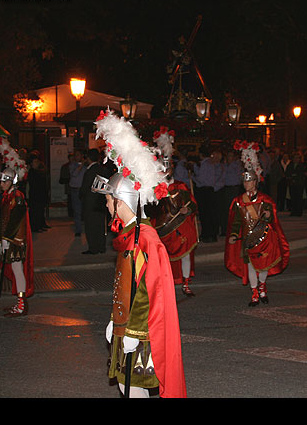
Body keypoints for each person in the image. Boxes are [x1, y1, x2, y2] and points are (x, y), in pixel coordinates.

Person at [93, 109, 186, 399]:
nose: (107, 206)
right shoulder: (129, 235)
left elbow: (150, 290)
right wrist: (115, 320)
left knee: (133, 389)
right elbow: (127, 287)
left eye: (110, 200)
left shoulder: (145, 238)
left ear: (121, 202)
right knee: (125, 386)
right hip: (127, 328)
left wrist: (132, 331)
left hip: (141, 334)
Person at [225, 140, 290, 306]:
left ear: (256, 182)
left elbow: (271, 219)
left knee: (264, 265)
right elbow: (237, 221)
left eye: (250, 181)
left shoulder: (265, 199)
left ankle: (262, 287)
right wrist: (233, 235)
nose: (247, 184)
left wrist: (268, 215)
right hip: (248, 238)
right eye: (245, 182)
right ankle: (254, 292)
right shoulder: (239, 201)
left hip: (265, 237)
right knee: (252, 266)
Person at [148, 127, 200, 297]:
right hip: (163, 229)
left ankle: (185, 284)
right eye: (163, 169)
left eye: (168, 168)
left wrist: (188, 208)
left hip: (182, 226)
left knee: (185, 255)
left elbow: (193, 204)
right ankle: (165, 285)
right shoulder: (154, 189)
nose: (166, 172)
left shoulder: (181, 186)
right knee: (162, 259)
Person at [0, 137, 34, 318]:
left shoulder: (17, 196)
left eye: (3, 181)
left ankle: (21, 305)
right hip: (9, 240)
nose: (1, 184)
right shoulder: (8, 196)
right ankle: (19, 303)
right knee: (17, 271)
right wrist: (1, 240)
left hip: (16, 241)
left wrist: (7, 240)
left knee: (18, 271)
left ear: (11, 181)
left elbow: (16, 220)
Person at [80, 148, 111, 254]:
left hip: (90, 203)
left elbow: (85, 188)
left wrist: (81, 195)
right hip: (101, 201)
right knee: (100, 225)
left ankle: (93, 248)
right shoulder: (102, 169)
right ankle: (101, 247)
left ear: (88, 158)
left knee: (90, 226)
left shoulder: (90, 171)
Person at [27, 152, 49, 232]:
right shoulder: (32, 172)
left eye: (37, 162)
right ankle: (35, 227)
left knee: (40, 211)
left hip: (41, 194)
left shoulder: (39, 171)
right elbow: (34, 184)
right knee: (35, 211)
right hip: (35, 195)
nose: (37, 163)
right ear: (32, 163)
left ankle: (40, 225)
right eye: (35, 162)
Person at [69, 150, 86, 237]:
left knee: (85, 210)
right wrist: (81, 165)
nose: (77, 157)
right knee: (77, 211)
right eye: (75, 155)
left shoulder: (85, 166)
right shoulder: (72, 165)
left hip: (83, 190)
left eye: (78, 155)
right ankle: (78, 230)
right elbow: (74, 174)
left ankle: (86, 229)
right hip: (75, 190)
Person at [286, 150, 306, 216]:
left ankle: (299, 211)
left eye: (297, 158)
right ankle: (293, 211)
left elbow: (301, 174)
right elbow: (287, 173)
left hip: (299, 184)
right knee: (293, 198)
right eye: (295, 158)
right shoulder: (290, 165)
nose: (296, 159)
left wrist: (295, 176)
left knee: (299, 198)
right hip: (292, 184)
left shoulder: (301, 165)